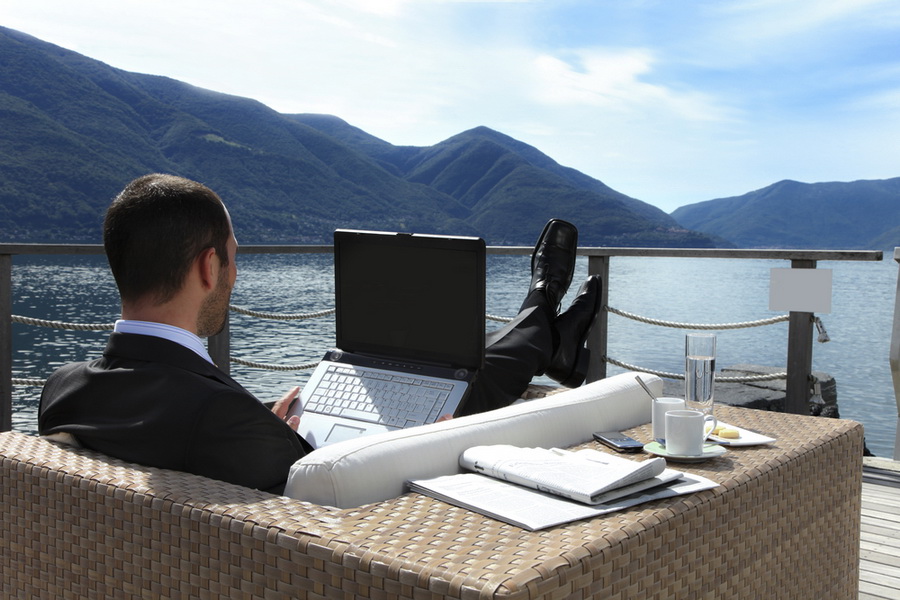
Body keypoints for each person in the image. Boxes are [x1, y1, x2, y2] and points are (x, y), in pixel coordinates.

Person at [38, 174, 601, 494]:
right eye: (233, 258)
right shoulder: (222, 421)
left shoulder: (63, 390)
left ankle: (546, 325)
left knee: (467, 374)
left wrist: (267, 426)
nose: (235, 276)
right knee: (470, 388)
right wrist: (425, 445)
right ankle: (544, 317)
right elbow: (336, 494)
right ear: (209, 267)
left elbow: (174, 425)